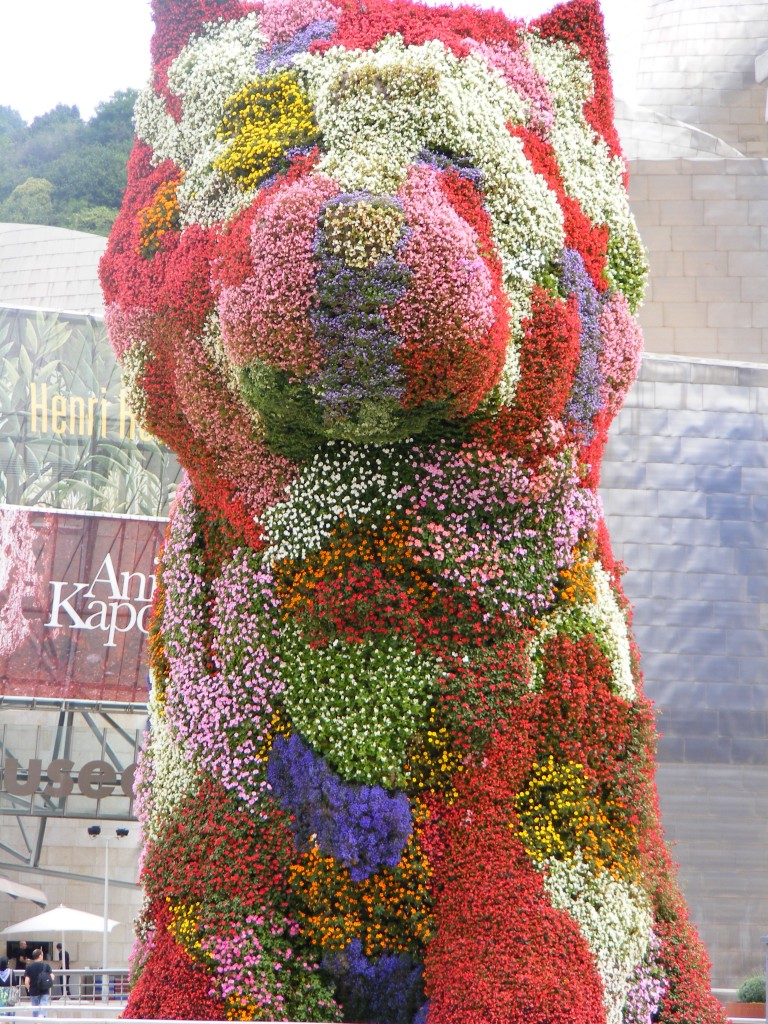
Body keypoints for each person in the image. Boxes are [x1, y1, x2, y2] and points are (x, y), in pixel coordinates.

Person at [23, 949, 54, 1018]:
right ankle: (41, 1019)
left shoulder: (29, 967)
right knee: (43, 1006)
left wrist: (29, 988)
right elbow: (52, 977)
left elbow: (26, 981)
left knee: (35, 1009)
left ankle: (37, 1020)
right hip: (44, 990)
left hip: (33, 991)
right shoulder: (46, 966)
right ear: (40, 956)